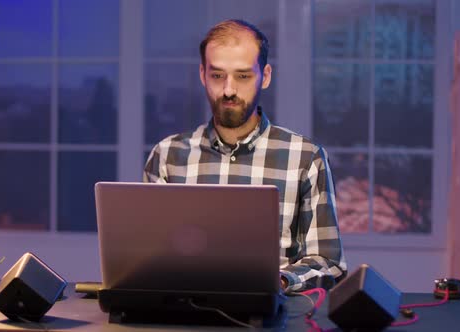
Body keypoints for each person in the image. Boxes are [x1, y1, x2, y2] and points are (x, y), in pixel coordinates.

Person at [143, 19, 347, 292]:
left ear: (266, 76)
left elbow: (329, 261)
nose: (228, 90)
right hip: (185, 311)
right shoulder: (167, 155)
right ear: (203, 75)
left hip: (272, 315)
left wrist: (281, 280)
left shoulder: (306, 157)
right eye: (217, 76)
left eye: (242, 76)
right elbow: (144, 256)